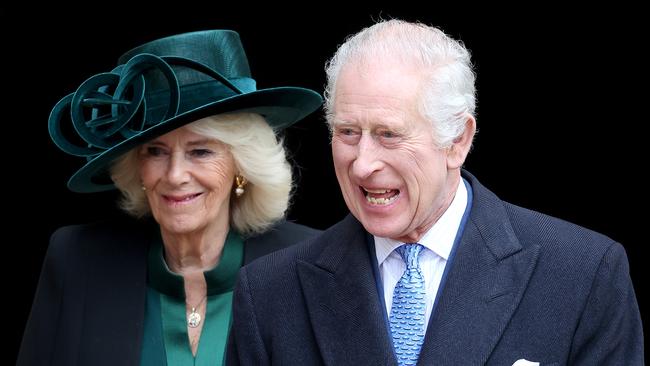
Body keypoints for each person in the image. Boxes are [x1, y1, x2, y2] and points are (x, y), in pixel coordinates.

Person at [226, 19, 644, 365]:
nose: (363, 163)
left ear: (458, 141)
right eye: (348, 133)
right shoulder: (269, 292)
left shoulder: (583, 273)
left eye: (389, 134)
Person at [17, 29, 322, 366]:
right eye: (156, 151)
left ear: (241, 165)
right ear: (137, 168)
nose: (175, 175)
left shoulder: (308, 265)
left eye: (201, 151)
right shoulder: (77, 260)